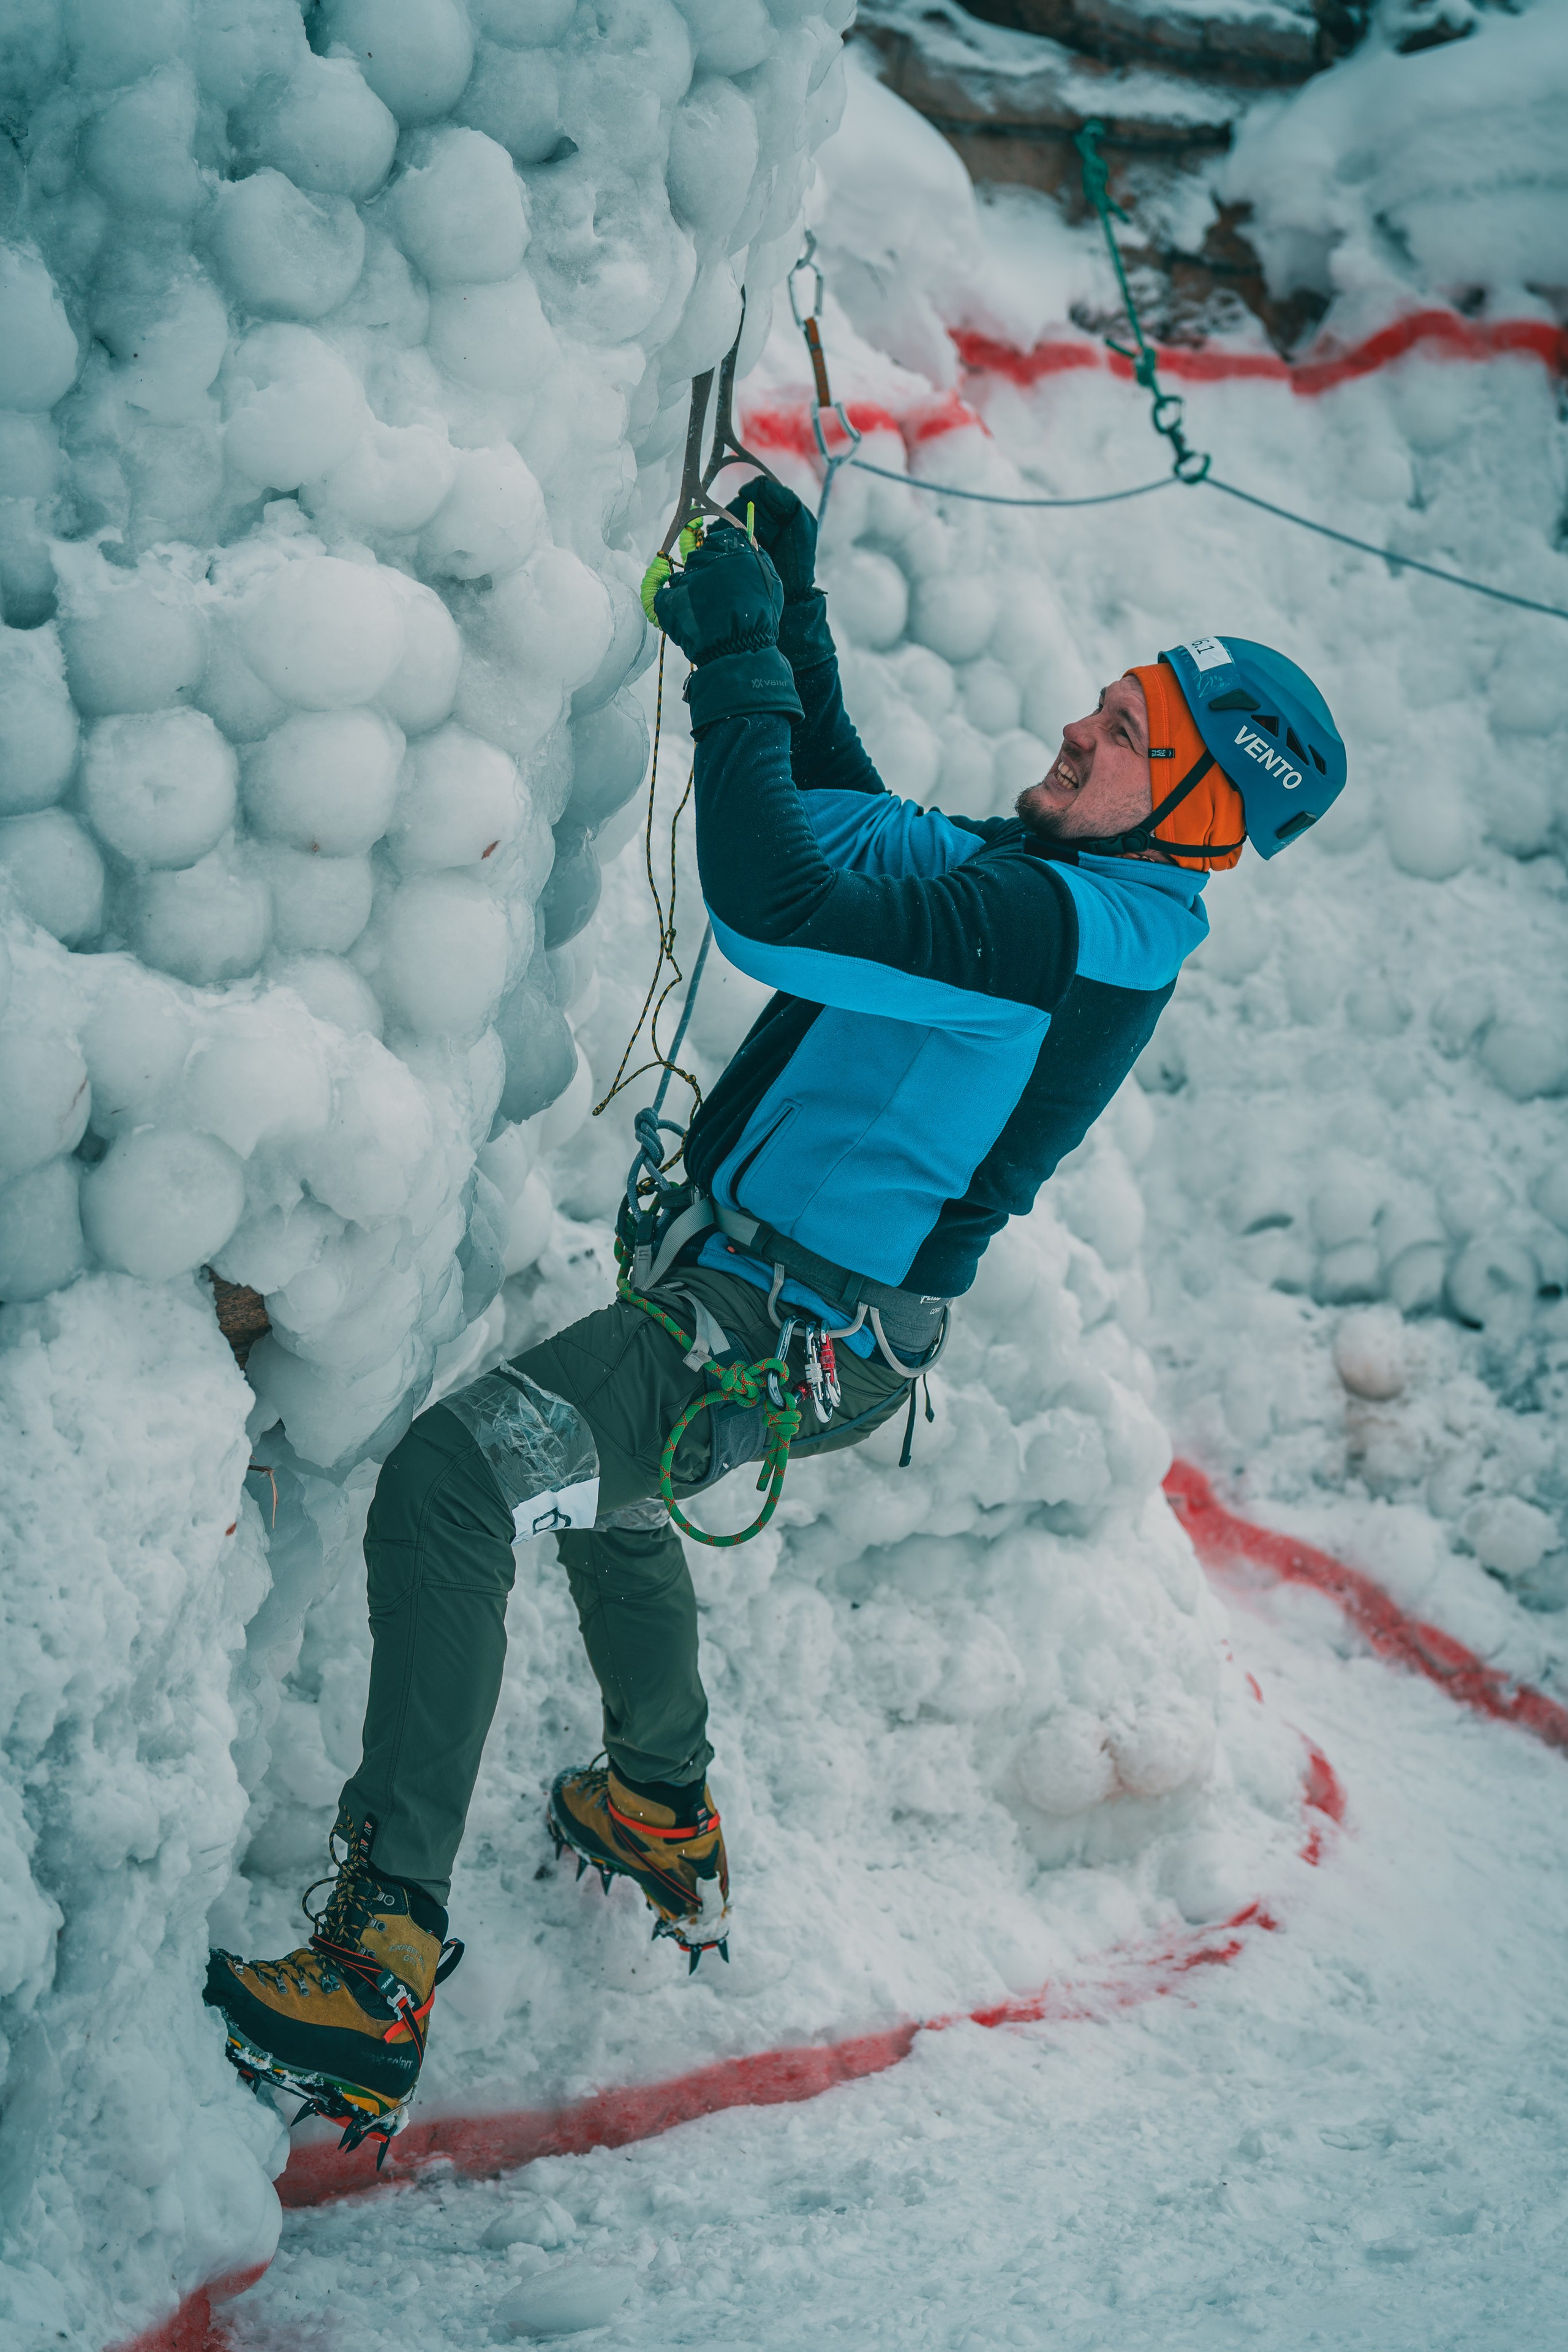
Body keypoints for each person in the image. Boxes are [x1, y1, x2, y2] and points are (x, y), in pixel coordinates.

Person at [204, 479, 1347, 2153]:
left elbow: (778, 907)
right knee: (611, 1493)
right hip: (766, 1306)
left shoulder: (1059, 934)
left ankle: (379, 1968)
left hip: (773, 1330)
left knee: (457, 1482)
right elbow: (844, 831)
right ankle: (657, 1808)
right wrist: (791, 631)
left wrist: (736, 662)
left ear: (1197, 806)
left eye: (1119, 732)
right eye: (1102, 708)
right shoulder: (1062, 893)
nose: (1074, 732)